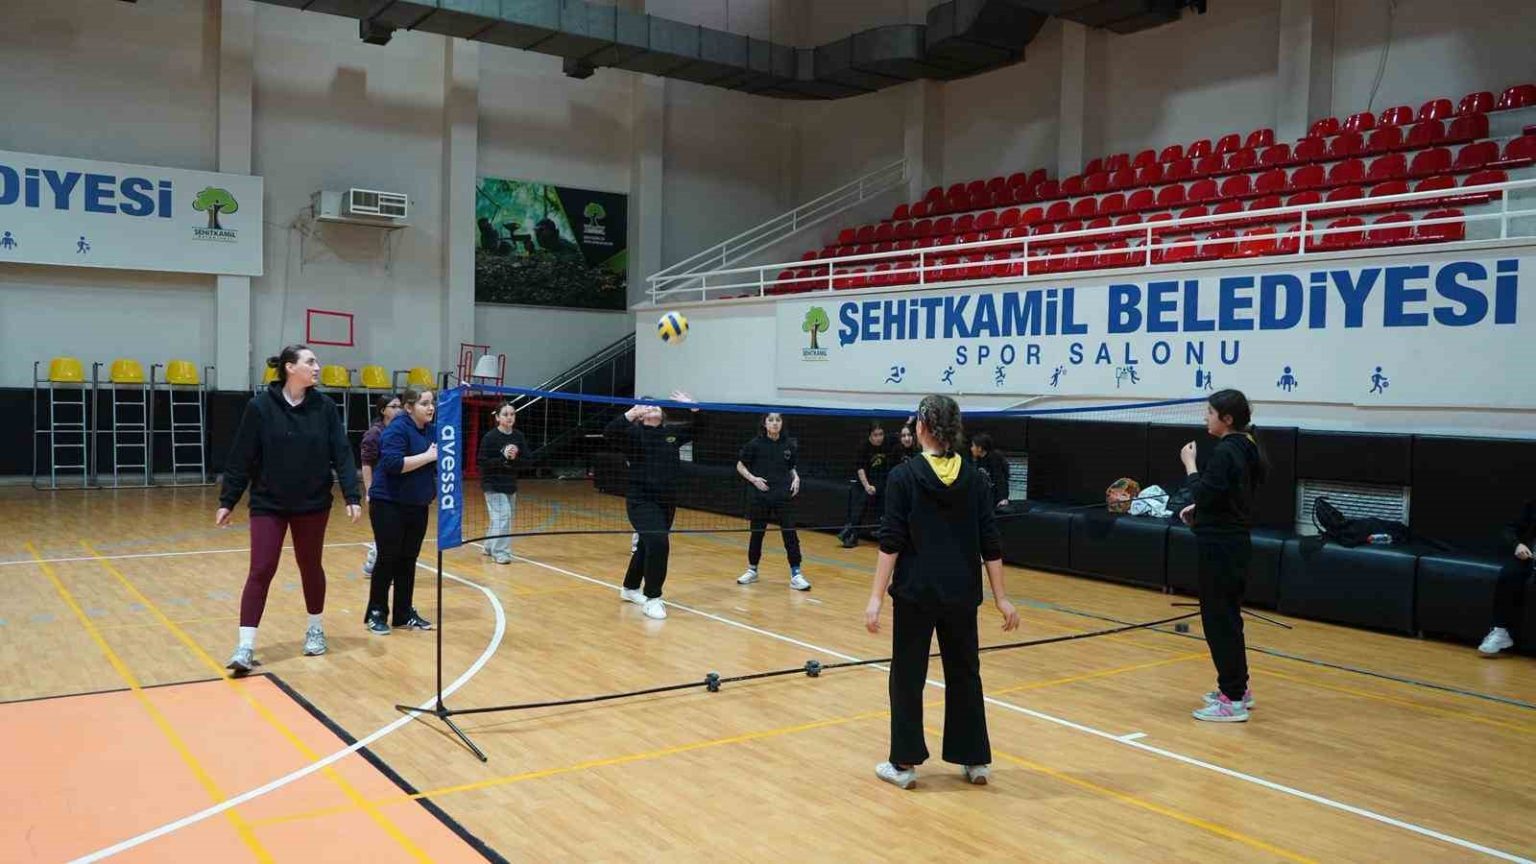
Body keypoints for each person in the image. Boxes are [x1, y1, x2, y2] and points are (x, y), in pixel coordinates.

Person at [864, 394, 1019, 790]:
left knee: (908, 676)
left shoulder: (903, 477)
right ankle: (975, 760)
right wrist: (1001, 598)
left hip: (916, 594)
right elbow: (991, 541)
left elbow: (891, 541)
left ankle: (903, 764)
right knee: (965, 673)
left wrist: (876, 597)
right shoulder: (975, 478)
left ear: (922, 428)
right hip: (961, 594)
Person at [216, 345, 361, 675]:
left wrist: (352, 495)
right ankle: (245, 646)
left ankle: (315, 629)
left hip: (312, 503)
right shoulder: (259, 407)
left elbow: (341, 452)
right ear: (290, 367)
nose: (317, 367)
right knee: (261, 568)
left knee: (310, 565)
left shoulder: (325, 408)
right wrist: (228, 500)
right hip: (268, 503)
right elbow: (241, 456)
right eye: (310, 362)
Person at [1178, 389, 1267, 722]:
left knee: (1219, 622)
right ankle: (1238, 689)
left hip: (1221, 548)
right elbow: (1225, 498)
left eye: (1211, 412)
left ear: (1227, 419)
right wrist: (1200, 512)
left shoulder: (1226, 451)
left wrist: (1190, 464)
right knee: (1229, 619)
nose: (1206, 417)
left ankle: (1232, 700)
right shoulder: (1247, 445)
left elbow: (1203, 491)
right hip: (1232, 542)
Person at [605, 391, 699, 620]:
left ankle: (629, 588)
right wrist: (630, 414)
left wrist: (693, 407)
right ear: (640, 415)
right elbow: (610, 433)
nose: (652, 407)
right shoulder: (633, 435)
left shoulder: (671, 434)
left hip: (667, 501)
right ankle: (653, 598)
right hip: (641, 501)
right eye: (646, 406)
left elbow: (702, 428)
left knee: (647, 545)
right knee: (658, 543)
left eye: (655, 405)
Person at [365, 387, 438, 634]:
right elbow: (393, 464)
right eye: (424, 403)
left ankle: (403, 613)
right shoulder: (397, 429)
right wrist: (428, 456)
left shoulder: (432, 430)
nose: (430, 407)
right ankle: (376, 612)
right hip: (388, 504)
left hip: (417, 504)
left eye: (432, 403)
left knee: (408, 559)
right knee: (388, 558)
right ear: (409, 407)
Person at [735, 412, 809, 590]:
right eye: (771, 420)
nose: (775, 423)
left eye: (778, 420)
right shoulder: (755, 444)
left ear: (782, 423)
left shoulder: (789, 445)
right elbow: (740, 465)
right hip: (761, 496)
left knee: (790, 534)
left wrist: (796, 477)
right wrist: (754, 479)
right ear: (765, 423)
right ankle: (752, 570)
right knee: (757, 534)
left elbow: (791, 467)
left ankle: (796, 574)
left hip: (783, 495)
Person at [1478, 499, 1536, 656]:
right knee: (1509, 574)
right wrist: (1517, 544)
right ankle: (1500, 632)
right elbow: (1509, 529)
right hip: (1530, 554)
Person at [477, 401, 528, 565]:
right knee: (503, 516)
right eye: (505, 414)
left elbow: (528, 460)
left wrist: (515, 457)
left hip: (509, 483)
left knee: (501, 518)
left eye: (512, 414)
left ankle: (489, 546)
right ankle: (501, 552)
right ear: (498, 418)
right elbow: (482, 462)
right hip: (492, 483)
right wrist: (503, 458)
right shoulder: (490, 437)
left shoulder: (518, 436)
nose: (509, 417)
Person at [361, 393, 403, 578]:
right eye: (394, 407)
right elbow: (366, 464)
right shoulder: (374, 433)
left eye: (400, 406)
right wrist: (369, 491)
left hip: (399, 488)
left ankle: (376, 565)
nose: (398, 410)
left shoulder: (401, 429)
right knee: (386, 532)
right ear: (383, 410)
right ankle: (374, 566)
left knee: (395, 531)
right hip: (381, 489)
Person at [839, 422, 894, 548]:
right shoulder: (863, 448)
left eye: (881, 434)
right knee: (863, 498)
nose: (879, 438)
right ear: (870, 436)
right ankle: (852, 533)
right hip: (866, 481)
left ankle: (850, 532)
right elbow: (860, 469)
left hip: (882, 481)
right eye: (876, 435)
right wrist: (867, 486)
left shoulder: (887, 445)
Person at [969, 432, 1012, 511]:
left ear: (980, 448)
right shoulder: (978, 460)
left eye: (973, 446)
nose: (971, 448)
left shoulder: (994, 459)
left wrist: (1003, 498)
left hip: (995, 498)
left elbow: (1000, 479)